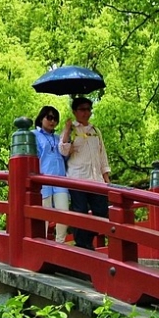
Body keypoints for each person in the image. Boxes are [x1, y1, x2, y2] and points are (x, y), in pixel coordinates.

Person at [60, 97, 111, 249]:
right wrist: (68, 129)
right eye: (82, 109)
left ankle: (84, 241)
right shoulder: (71, 130)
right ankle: (83, 245)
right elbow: (63, 150)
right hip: (78, 178)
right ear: (75, 112)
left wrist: (106, 178)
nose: (86, 112)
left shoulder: (96, 131)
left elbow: (102, 155)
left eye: (88, 109)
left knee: (102, 213)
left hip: (97, 179)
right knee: (80, 211)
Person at [34, 105, 70, 243]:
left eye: (55, 118)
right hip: (43, 179)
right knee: (44, 214)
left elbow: (66, 156)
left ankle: (60, 244)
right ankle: (42, 245)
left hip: (60, 179)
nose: (52, 121)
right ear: (41, 118)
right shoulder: (34, 135)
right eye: (49, 117)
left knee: (63, 213)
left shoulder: (58, 137)